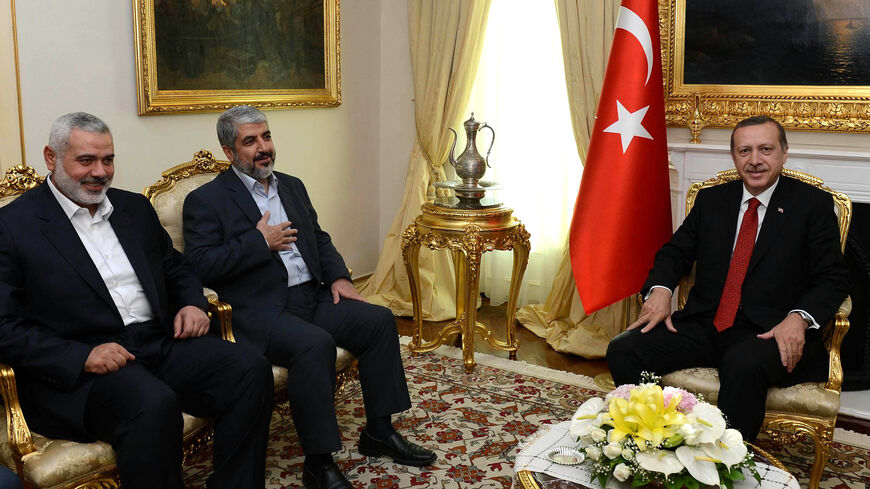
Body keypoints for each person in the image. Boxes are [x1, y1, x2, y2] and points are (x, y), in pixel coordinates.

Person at [0, 113, 274, 489]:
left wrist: (192, 303)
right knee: (153, 404)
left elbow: (177, 269)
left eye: (108, 160)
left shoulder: (133, 209)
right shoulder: (13, 226)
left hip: (158, 342)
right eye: (86, 161)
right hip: (84, 368)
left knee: (249, 369)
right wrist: (81, 357)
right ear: (51, 157)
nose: (100, 172)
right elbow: (4, 327)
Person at [182, 105, 436, 489]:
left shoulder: (291, 185)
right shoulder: (207, 200)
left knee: (378, 320)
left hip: (310, 298)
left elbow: (318, 237)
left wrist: (339, 277)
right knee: (314, 345)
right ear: (229, 151)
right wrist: (258, 242)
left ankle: (379, 431)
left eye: (266, 136)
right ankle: (319, 463)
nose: (263, 147)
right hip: (259, 311)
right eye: (250, 141)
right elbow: (199, 265)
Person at [606, 115, 849, 441]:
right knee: (624, 349)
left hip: (769, 331)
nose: (755, 160)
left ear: (784, 153)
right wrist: (661, 290)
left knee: (742, 363)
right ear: (733, 156)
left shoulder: (812, 205)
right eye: (744, 151)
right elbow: (674, 253)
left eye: (766, 149)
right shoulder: (713, 201)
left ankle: (728, 463)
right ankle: (652, 439)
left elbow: (832, 278)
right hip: (707, 323)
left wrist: (799, 318)